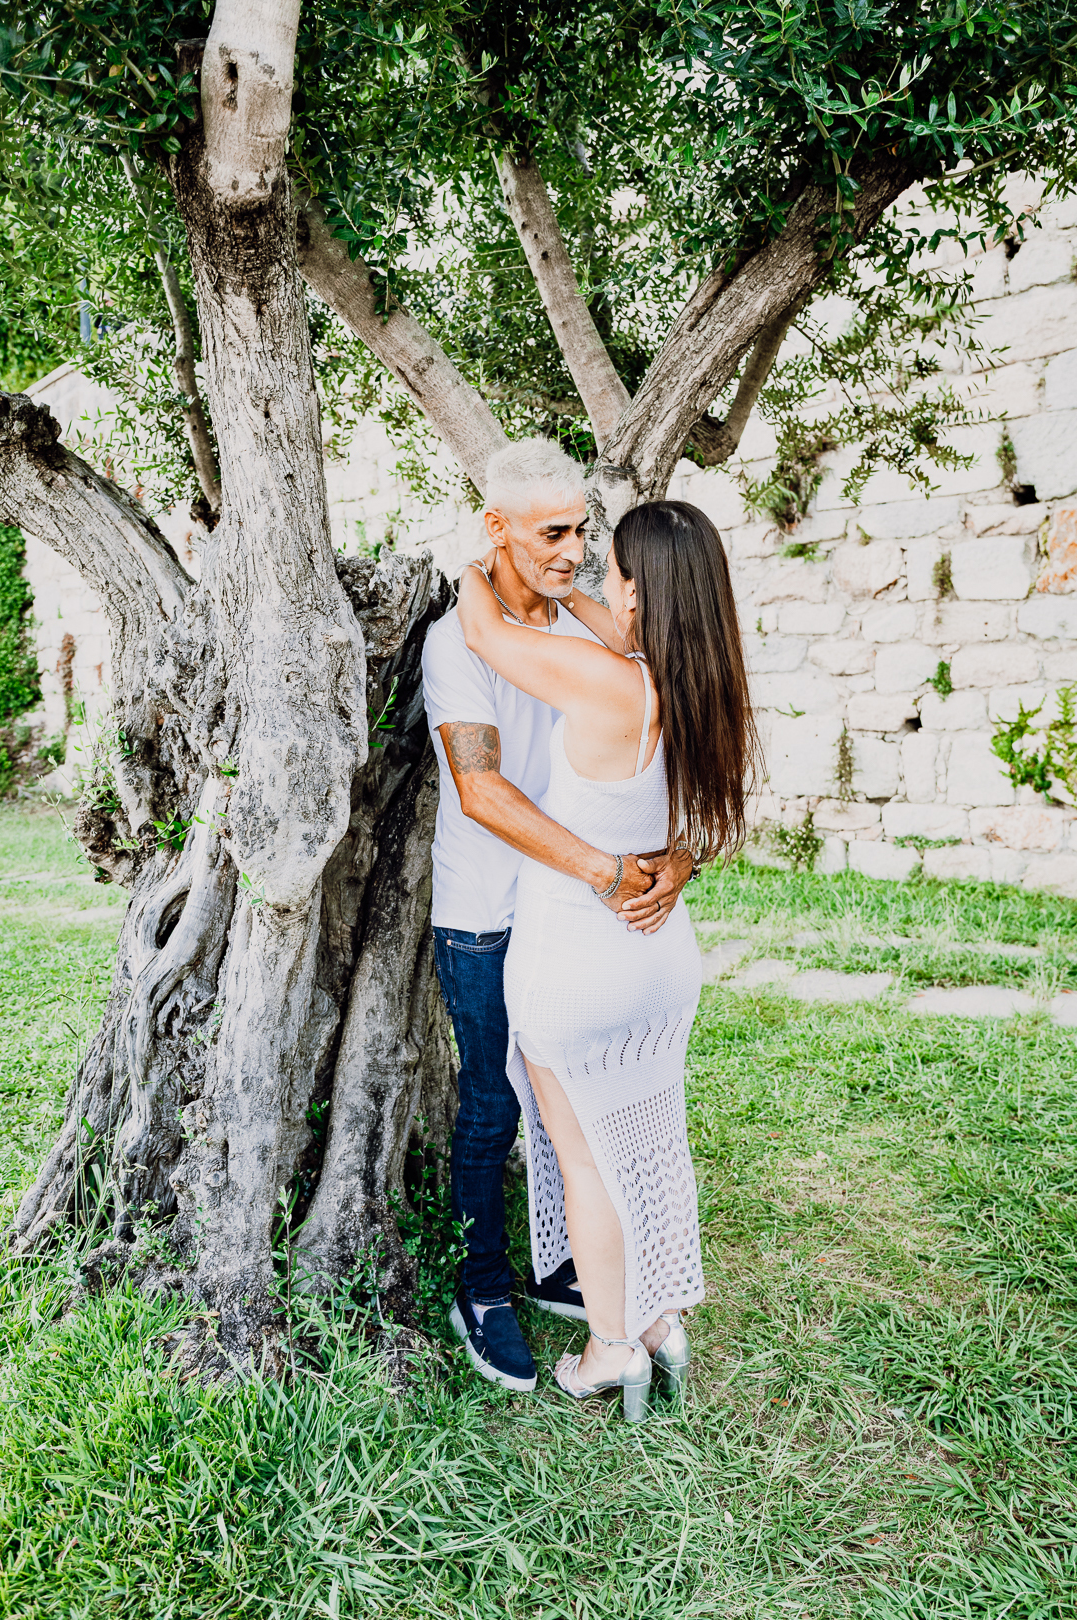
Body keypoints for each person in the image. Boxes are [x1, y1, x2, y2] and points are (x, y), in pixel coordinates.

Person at [456, 497, 758, 1420]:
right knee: (650, 1144)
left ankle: (611, 1346)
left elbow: (485, 628)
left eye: (612, 572)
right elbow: (609, 620)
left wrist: (486, 549)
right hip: (660, 960)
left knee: (587, 1160)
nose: (597, 582)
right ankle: (661, 1318)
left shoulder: (601, 682)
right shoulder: (699, 679)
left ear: (636, 595)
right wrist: (607, 604)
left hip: (577, 962)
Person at [421, 439, 694, 1393]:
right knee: (495, 1107)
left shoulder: (590, 629)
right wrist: (605, 871)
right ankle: (483, 1284)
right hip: (487, 912)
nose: (576, 547)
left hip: (571, 920)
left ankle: (575, 1266)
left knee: (571, 1107)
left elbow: (668, 730)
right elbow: (483, 789)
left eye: (584, 529)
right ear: (493, 528)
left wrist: (676, 856)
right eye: (552, 531)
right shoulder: (458, 639)